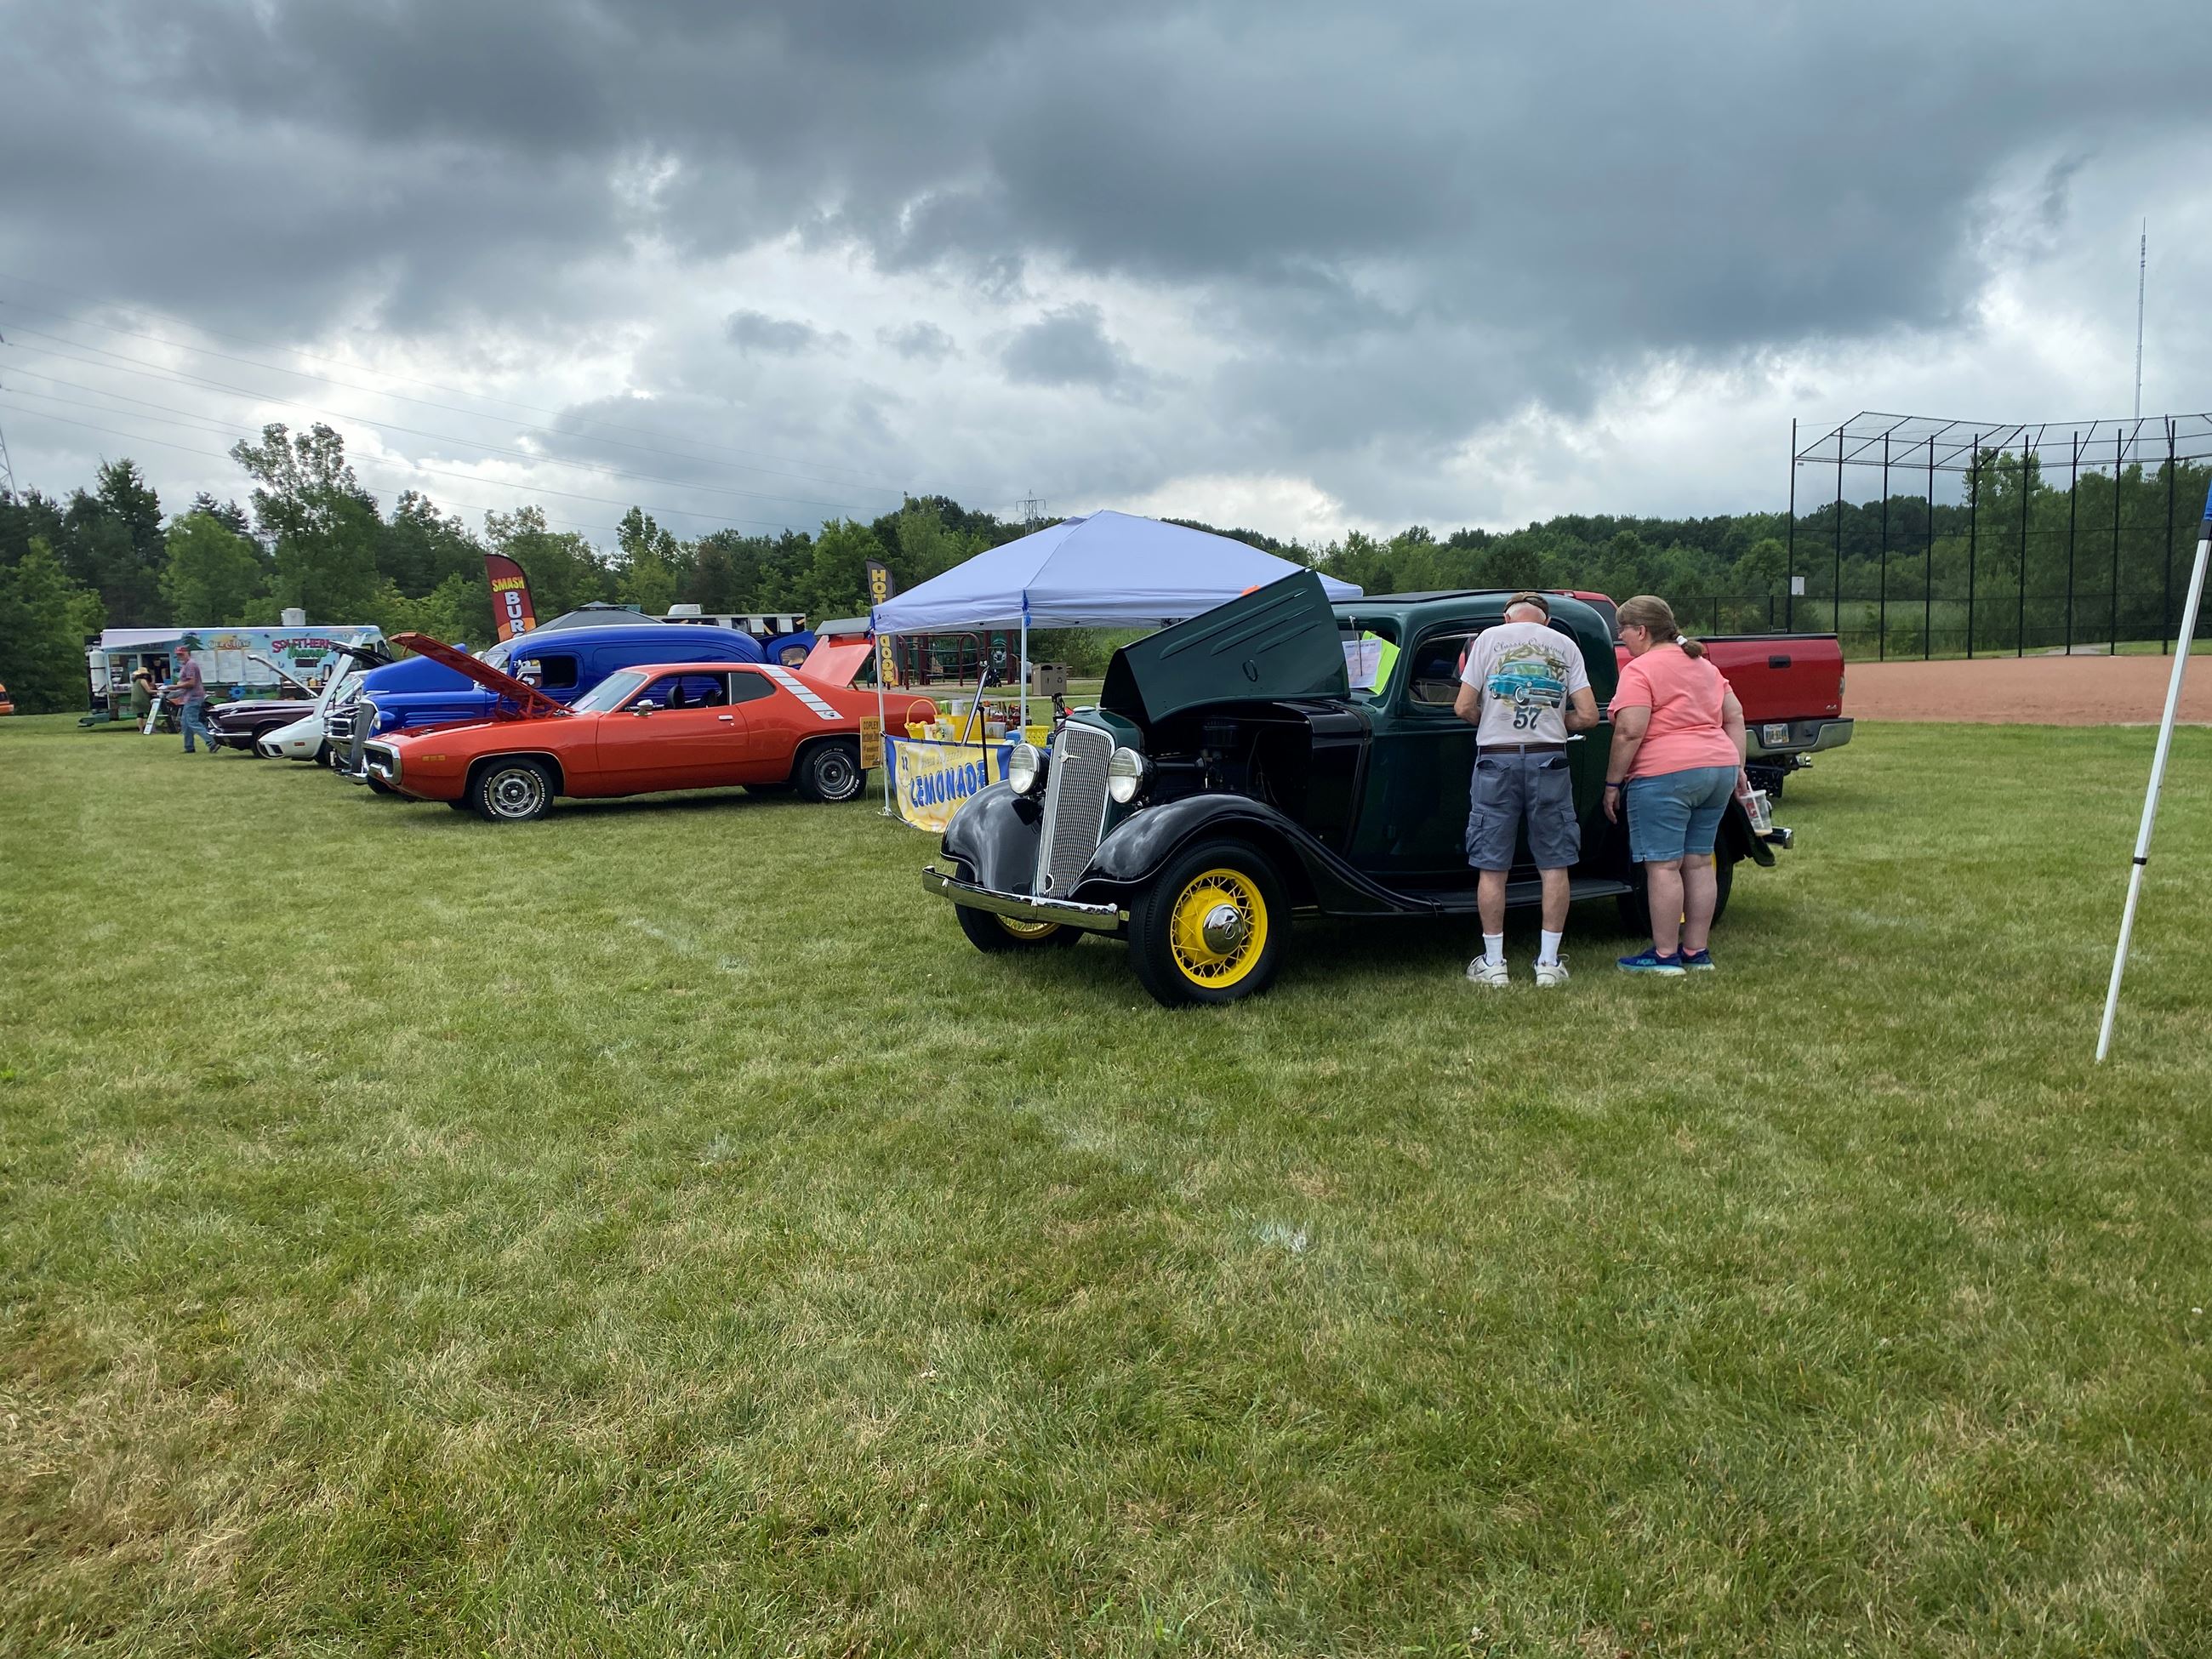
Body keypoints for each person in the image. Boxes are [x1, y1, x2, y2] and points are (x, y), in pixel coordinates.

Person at [1454, 592, 1599, 988]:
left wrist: (1494, 721)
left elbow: (1463, 706)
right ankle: (1549, 963)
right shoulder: (1564, 645)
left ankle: (1494, 962)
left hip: (1496, 758)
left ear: (1508, 617)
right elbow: (1589, 715)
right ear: (1545, 621)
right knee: (1554, 862)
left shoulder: (1487, 639)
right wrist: (1553, 719)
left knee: (1492, 862)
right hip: (1548, 757)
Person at [1603, 595, 1747, 975]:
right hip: (1718, 767)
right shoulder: (1704, 666)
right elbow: (1735, 716)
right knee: (1700, 863)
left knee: (1663, 866)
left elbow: (1630, 730)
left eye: (1623, 631)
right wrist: (1738, 767)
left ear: (1641, 630)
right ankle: (1697, 952)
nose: (1622, 639)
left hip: (1665, 773)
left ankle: (1665, 956)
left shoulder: (1640, 669)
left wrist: (1612, 782)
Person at [173, 646, 215, 756]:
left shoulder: (191, 664)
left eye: (181, 654)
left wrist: (176, 687)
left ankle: (211, 742)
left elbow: (191, 683)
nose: (180, 656)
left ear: (187, 653)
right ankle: (189, 747)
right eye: (178, 654)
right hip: (188, 697)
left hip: (194, 697)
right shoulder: (185, 665)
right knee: (185, 723)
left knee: (192, 721)